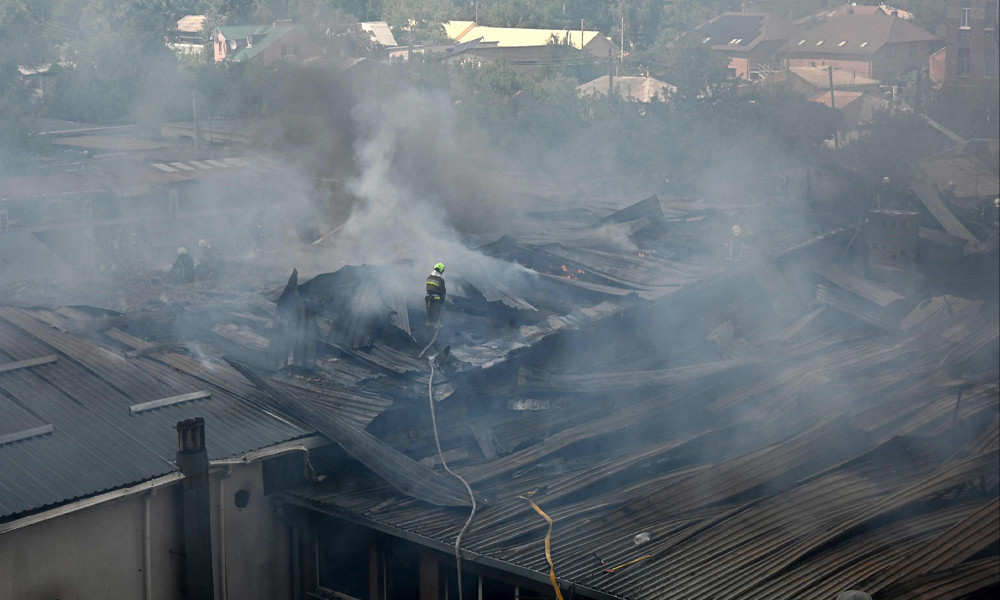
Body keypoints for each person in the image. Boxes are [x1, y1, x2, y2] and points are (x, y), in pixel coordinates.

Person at [425, 262, 446, 327]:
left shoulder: (429, 277)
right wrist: (442, 300)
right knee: (436, 314)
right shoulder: (441, 280)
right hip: (436, 299)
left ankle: (428, 327)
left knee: (429, 313)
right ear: (441, 271)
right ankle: (436, 328)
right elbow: (443, 292)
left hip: (428, 298)